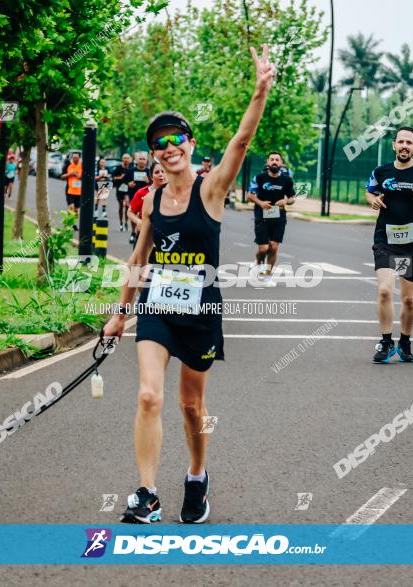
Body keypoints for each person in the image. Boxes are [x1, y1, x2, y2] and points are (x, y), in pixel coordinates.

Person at [103, 44, 276, 525]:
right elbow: (139, 260)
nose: (169, 146)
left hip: (201, 313)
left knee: (190, 405)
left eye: (176, 137)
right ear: (154, 154)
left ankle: (197, 475)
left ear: (190, 144)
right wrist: (120, 313)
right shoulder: (153, 201)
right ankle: (146, 493)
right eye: (160, 142)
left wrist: (260, 91)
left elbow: (241, 143)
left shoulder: (212, 188)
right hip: (157, 308)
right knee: (148, 395)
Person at [365, 126, 413, 364]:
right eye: (401, 142)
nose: (404, 146)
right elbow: (369, 192)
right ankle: (386, 341)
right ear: (394, 145)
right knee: (385, 290)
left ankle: (405, 341)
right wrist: (374, 200)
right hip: (385, 241)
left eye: (409, 143)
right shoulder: (381, 171)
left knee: (408, 299)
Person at [247, 151, 295, 286]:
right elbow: (249, 195)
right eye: (272, 159)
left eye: (277, 160)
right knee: (263, 249)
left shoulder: (287, 180)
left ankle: (267, 277)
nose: (274, 161)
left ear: (281, 163)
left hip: (279, 216)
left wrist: (286, 201)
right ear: (267, 162)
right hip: (261, 215)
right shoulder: (260, 178)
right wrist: (261, 203)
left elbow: (292, 198)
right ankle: (258, 262)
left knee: (273, 247)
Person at [127, 160, 167, 233]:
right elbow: (130, 212)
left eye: (163, 171)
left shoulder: (173, 193)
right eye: (157, 172)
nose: (161, 174)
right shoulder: (142, 192)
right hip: (145, 233)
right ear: (151, 177)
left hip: (165, 235)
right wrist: (138, 221)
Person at [125, 152, 151, 244]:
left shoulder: (149, 172)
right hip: (133, 194)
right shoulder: (131, 171)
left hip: (146, 196)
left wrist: (148, 181)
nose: (142, 161)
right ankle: (133, 232)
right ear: (136, 160)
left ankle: (142, 232)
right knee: (133, 213)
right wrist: (129, 184)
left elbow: (153, 184)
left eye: (144, 159)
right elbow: (125, 182)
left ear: (146, 160)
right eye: (140, 159)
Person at [61, 152, 83, 229]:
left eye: (76, 158)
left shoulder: (82, 166)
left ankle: (73, 223)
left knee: (77, 210)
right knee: (71, 207)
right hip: (70, 190)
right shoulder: (68, 165)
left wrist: (78, 176)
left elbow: (85, 177)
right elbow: (62, 176)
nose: (74, 159)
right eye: (73, 158)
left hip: (79, 191)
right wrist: (70, 174)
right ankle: (67, 223)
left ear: (79, 158)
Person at [113, 153, 133, 231]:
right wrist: (119, 178)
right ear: (122, 159)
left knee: (127, 206)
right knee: (121, 206)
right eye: (124, 158)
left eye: (127, 158)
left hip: (128, 190)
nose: (126, 160)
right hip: (120, 190)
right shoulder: (118, 168)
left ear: (130, 159)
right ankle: (121, 223)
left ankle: (126, 222)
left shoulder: (131, 169)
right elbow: (113, 178)